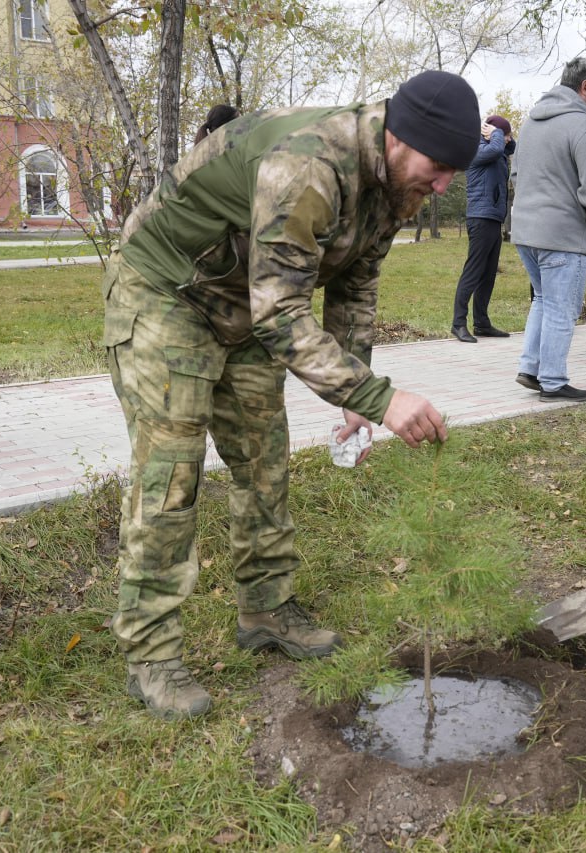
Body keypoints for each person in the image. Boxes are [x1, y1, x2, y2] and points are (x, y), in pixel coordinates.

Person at [103, 69, 480, 719]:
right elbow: (282, 314)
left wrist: (352, 394)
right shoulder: (309, 164)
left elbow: (355, 286)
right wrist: (384, 400)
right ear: (398, 137)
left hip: (245, 304)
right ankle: (152, 652)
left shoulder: (393, 185)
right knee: (171, 473)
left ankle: (267, 609)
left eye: (454, 172)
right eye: (440, 166)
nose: (445, 184)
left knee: (263, 459)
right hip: (167, 291)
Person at [511, 57, 586, 402]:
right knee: (561, 307)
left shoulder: (530, 123)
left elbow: (515, 175)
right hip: (564, 235)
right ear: (585, 86)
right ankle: (553, 381)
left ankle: (531, 367)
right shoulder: (582, 126)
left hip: (526, 231)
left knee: (543, 299)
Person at [450, 114, 515, 343]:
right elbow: (499, 149)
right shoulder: (477, 150)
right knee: (474, 271)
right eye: (504, 135)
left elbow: (509, 148)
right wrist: (496, 133)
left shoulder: (496, 151)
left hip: (493, 218)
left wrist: (501, 133)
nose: (507, 140)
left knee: (488, 274)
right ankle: (458, 323)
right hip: (480, 217)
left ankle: (481, 323)